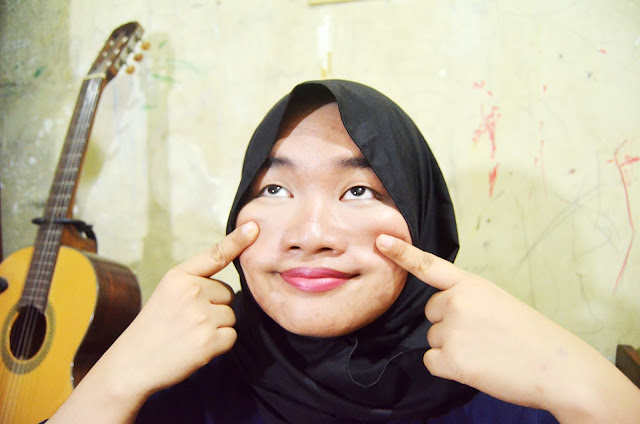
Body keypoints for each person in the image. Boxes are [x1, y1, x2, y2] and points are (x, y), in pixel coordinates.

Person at [48, 80, 640, 423]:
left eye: (359, 190)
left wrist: (594, 392)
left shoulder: (516, 392)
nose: (310, 234)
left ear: (421, 215)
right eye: (273, 189)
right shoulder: (167, 387)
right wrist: (110, 385)